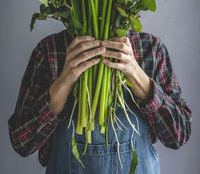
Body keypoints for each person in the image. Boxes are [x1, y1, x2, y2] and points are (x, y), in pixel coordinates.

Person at [8, 28, 192, 174]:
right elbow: (22, 143)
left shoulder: (150, 48)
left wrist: (136, 74)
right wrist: (64, 80)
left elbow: (179, 135)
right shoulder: (50, 50)